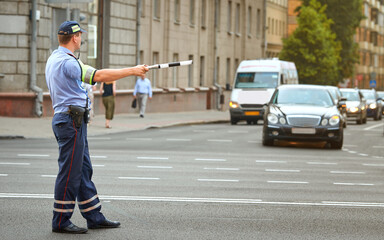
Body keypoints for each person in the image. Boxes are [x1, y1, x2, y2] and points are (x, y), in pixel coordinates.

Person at [45, 21, 148, 234]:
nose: (81, 38)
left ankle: (93, 215)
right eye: (80, 35)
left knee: (82, 170)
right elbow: (99, 76)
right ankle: (61, 221)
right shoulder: (68, 62)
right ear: (74, 38)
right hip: (70, 121)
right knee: (70, 173)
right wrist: (133, 70)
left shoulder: (54, 58)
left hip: (71, 120)